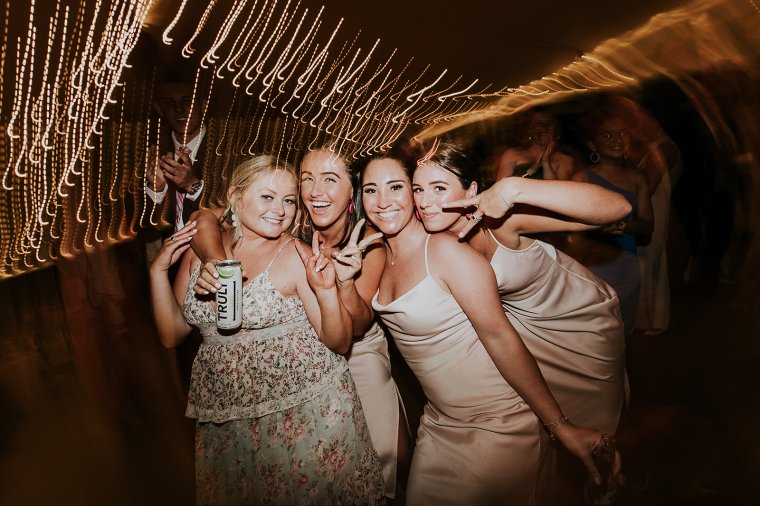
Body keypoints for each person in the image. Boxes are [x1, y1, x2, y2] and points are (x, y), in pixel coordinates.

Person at [356, 149, 621, 505]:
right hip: (517, 342)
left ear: (471, 191)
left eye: (439, 188)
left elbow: (617, 208)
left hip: (574, 330)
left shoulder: (499, 222)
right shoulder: (420, 241)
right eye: (418, 189)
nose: (425, 201)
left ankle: (604, 483)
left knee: (588, 432)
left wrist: (513, 188)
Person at [149, 155, 384, 504]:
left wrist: (326, 292)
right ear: (235, 196)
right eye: (267, 197)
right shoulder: (200, 255)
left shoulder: (294, 254)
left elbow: (339, 342)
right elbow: (173, 334)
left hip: (303, 418)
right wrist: (156, 273)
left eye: (289, 200)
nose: (280, 210)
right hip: (229, 420)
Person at [570, 112, 654, 335]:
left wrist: (623, 226)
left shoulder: (638, 178)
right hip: (592, 267)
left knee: (623, 333)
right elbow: (568, 228)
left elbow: (647, 227)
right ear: (592, 144)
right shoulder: (581, 178)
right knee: (595, 336)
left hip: (627, 266)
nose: (617, 139)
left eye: (622, 133)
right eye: (608, 134)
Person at [144, 78, 207, 236]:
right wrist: (156, 189)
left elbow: (233, 214)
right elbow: (145, 229)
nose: (178, 109)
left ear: (203, 104)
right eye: (169, 102)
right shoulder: (151, 153)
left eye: (187, 100)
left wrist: (193, 185)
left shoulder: (226, 152)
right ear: (159, 109)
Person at [496, 107, 574, 180]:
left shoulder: (564, 160)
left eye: (549, 123)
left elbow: (557, 189)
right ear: (530, 130)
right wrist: (531, 170)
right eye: (538, 123)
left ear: (557, 129)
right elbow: (501, 186)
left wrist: (546, 163)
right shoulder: (511, 154)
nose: (544, 127)